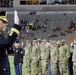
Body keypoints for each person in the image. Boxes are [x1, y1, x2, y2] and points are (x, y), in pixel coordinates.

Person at [0, 10, 21, 75]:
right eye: (3, 22)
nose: (6, 24)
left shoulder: (1, 36)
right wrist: (16, 25)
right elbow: (8, 42)